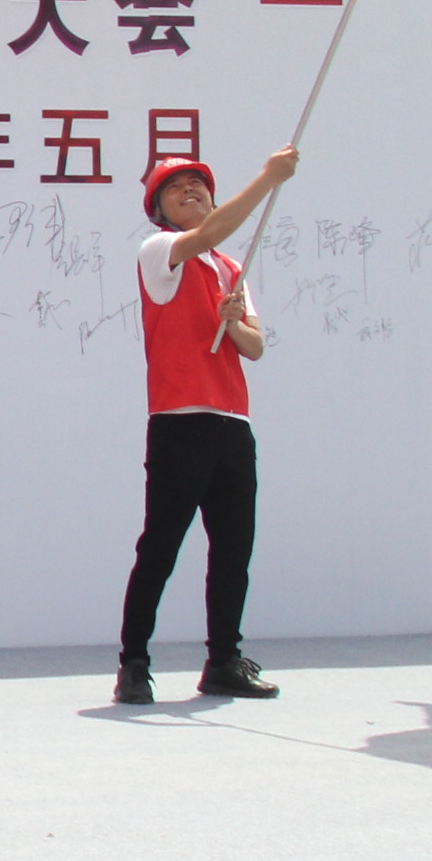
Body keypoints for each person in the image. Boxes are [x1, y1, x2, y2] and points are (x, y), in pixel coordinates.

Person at [116, 146, 299, 706]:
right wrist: (269, 177)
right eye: (175, 188)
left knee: (233, 550)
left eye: (197, 183)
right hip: (180, 423)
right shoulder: (159, 251)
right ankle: (134, 664)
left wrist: (232, 321)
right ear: (159, 211)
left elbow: (254, 346)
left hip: (232, 424)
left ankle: (223, 661)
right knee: (161, 547)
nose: (189, 190)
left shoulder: (230, 270)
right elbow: (213, 232)